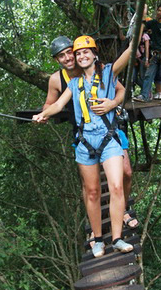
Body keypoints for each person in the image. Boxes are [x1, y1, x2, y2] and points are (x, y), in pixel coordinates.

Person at [34, 33, 141, 258]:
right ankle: (98, 239)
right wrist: (42, 114)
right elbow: (57, 105)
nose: (81, 56)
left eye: (86, 52)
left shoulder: (108, 72)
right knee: (92, 192)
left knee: (116, 185)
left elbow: (128, 54)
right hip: (85, 141)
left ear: (94, 54)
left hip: (108, 137)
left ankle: (118, 238)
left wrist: (138, 31)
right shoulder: (73, 83)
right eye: (78, 53)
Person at [133, 3, 161, 103]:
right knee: (148, 75)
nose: (159, 12)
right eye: (158, 10)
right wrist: (142, 14)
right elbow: (142, 25)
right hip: (154, 55)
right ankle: (144, 96)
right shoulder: (152, 23)